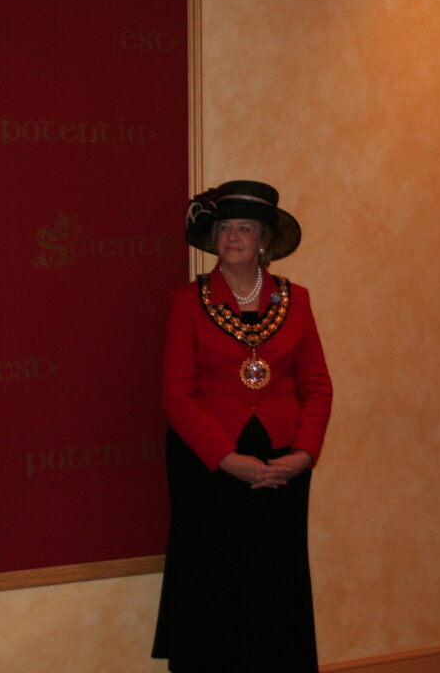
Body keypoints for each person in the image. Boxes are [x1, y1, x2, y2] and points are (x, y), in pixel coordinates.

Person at [152, 180, 333, 672]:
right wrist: (228, 460)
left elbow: (317, 387)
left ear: (264, 241)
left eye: (245, 228)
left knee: (277, 583)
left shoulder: (298, 301)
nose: (233, 236)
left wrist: (303, 455)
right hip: (207, 465)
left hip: (283, 465)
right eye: (224, 227)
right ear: (213, 239)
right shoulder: (187, 302)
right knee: (211, 583)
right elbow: (176, 394)